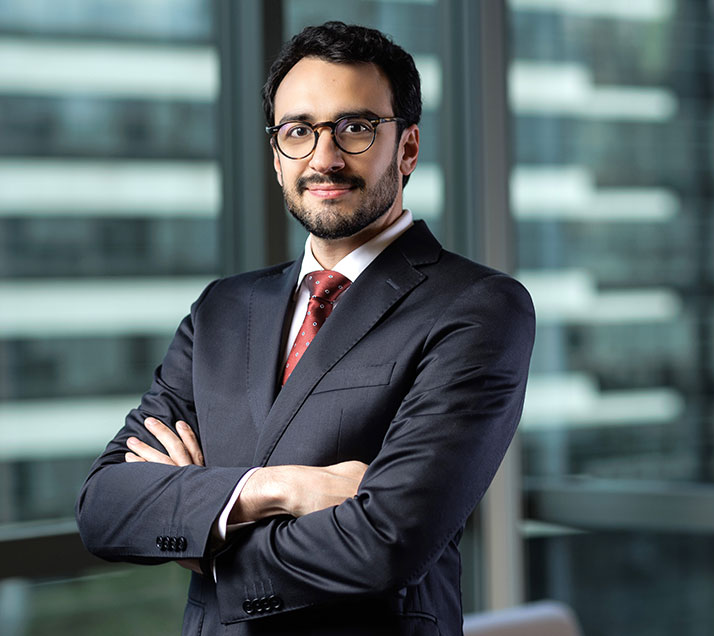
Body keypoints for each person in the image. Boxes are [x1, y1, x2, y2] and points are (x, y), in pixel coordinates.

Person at [76, 21, 535, 636]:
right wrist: (275, 489)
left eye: (355, 127)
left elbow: (388, 542)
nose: (323, 157)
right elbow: (105, 506)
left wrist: (201, 525)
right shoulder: (221, 310)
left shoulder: (477, 307)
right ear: (275, 156)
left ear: (407, 148)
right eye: (298, 131)